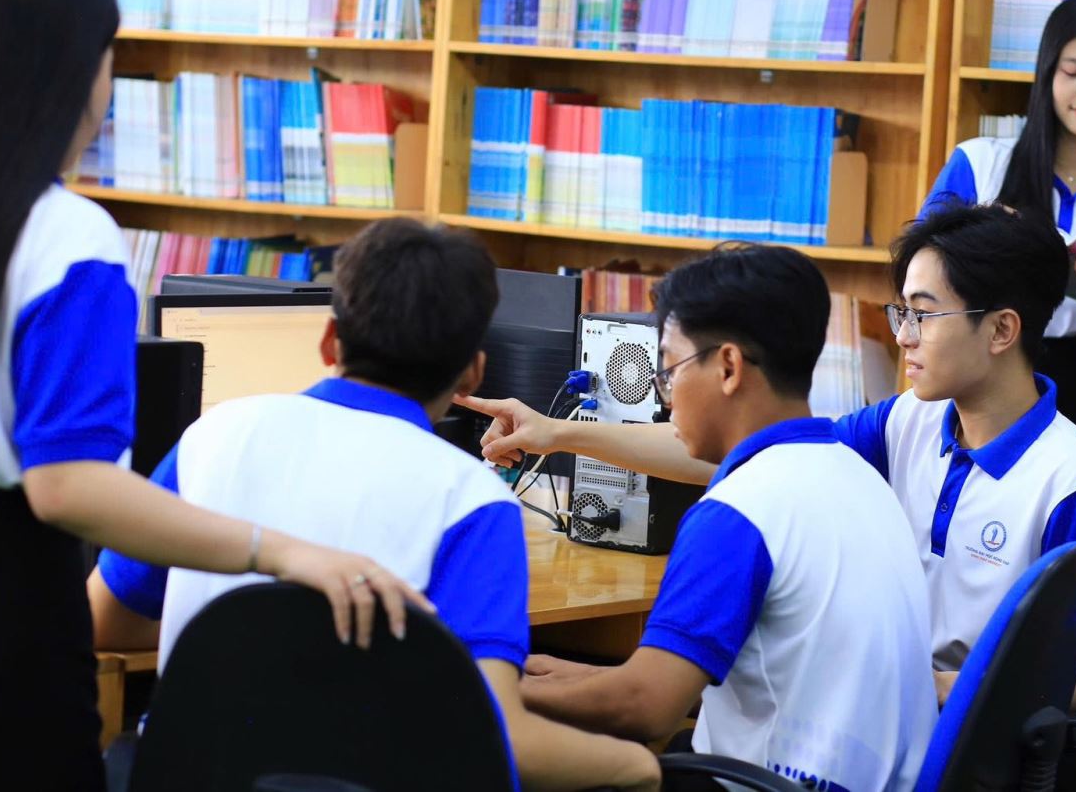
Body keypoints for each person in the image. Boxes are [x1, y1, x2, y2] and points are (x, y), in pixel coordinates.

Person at [0, 0, 423, 792]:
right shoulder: (68, 236)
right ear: (71, 72)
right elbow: (68, 486)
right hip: (1, 638)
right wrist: (280, 551)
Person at [464, 205, 1076, 715]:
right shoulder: (911, 418)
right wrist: (558, 433)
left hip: (957, 735)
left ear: (1002, 329)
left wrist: (931, 686)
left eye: (922, 316)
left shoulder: (1075, 483)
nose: (902, 336)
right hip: (883, 702)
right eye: (901, 312)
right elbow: (759, 455)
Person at [88, 218, 660, 792]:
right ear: (473, 372)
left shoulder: (213, 437)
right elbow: (495, 735)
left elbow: (103, 621)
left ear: (329, 341)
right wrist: (637, 767)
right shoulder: (471, 500)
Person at [513, 245, 937, 791]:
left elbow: (645, 709)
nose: (666, 399)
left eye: (668, 371)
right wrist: (586, 677)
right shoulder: (858, 476)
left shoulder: (741, 511)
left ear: (729, 367)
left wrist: (497, 689)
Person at [922, 0, 1076, 484]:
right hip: (983, 370)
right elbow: (919, 279)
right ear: (1047, 74)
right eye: (1072, 71)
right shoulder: (981, 162)